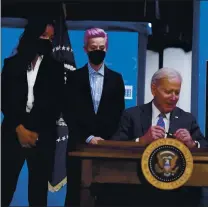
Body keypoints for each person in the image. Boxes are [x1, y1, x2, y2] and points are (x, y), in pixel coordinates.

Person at [110, 68, 208, 207]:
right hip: (139, 188)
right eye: (168, 92)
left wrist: (192, 143)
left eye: (177, 92)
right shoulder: (132, 115)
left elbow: (205, 146)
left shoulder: (187, 119)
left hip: (178, 191)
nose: (174, 97)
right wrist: (141, 141)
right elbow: (115, 146)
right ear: (153, 89)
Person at [1, 19, 64, 206]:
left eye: (51, 38)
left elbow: (55, 104)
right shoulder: (11, 64)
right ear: (32, 36)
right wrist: (19, 128)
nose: (47, 41)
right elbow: (5, 99)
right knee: (4, 188)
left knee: (38, 194)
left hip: (42, 136)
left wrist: (34, 133)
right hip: (13, 132)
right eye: (44, 36)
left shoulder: (55, 68)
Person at [64, 27, 125, 206]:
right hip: (79, 146)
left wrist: (104, 140)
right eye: (93, 48)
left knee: (106, 196)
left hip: (106, 148)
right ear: (85, 49)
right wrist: (89, 137)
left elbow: (118, 114)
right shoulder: (74, 78)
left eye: (101, 48)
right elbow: (69, 112)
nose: (97, 52)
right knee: (75, 195)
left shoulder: (116, 79)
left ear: (106, 48)